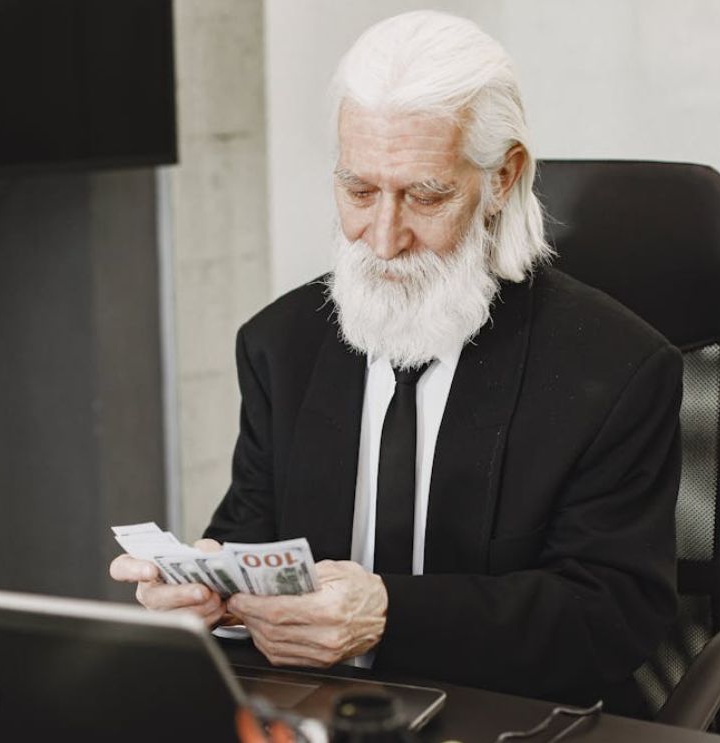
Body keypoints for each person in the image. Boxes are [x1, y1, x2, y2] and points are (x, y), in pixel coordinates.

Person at [111, 10, 680, 717]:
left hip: (505, 714)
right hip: (314, 711)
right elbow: (253, 537)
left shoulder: (619, 369)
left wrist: (389, 613)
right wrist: (206, 590)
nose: (382, 239)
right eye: (358, 190)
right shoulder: (277, 345)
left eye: (424, 194)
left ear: (501, 178)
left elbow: (608, 617)